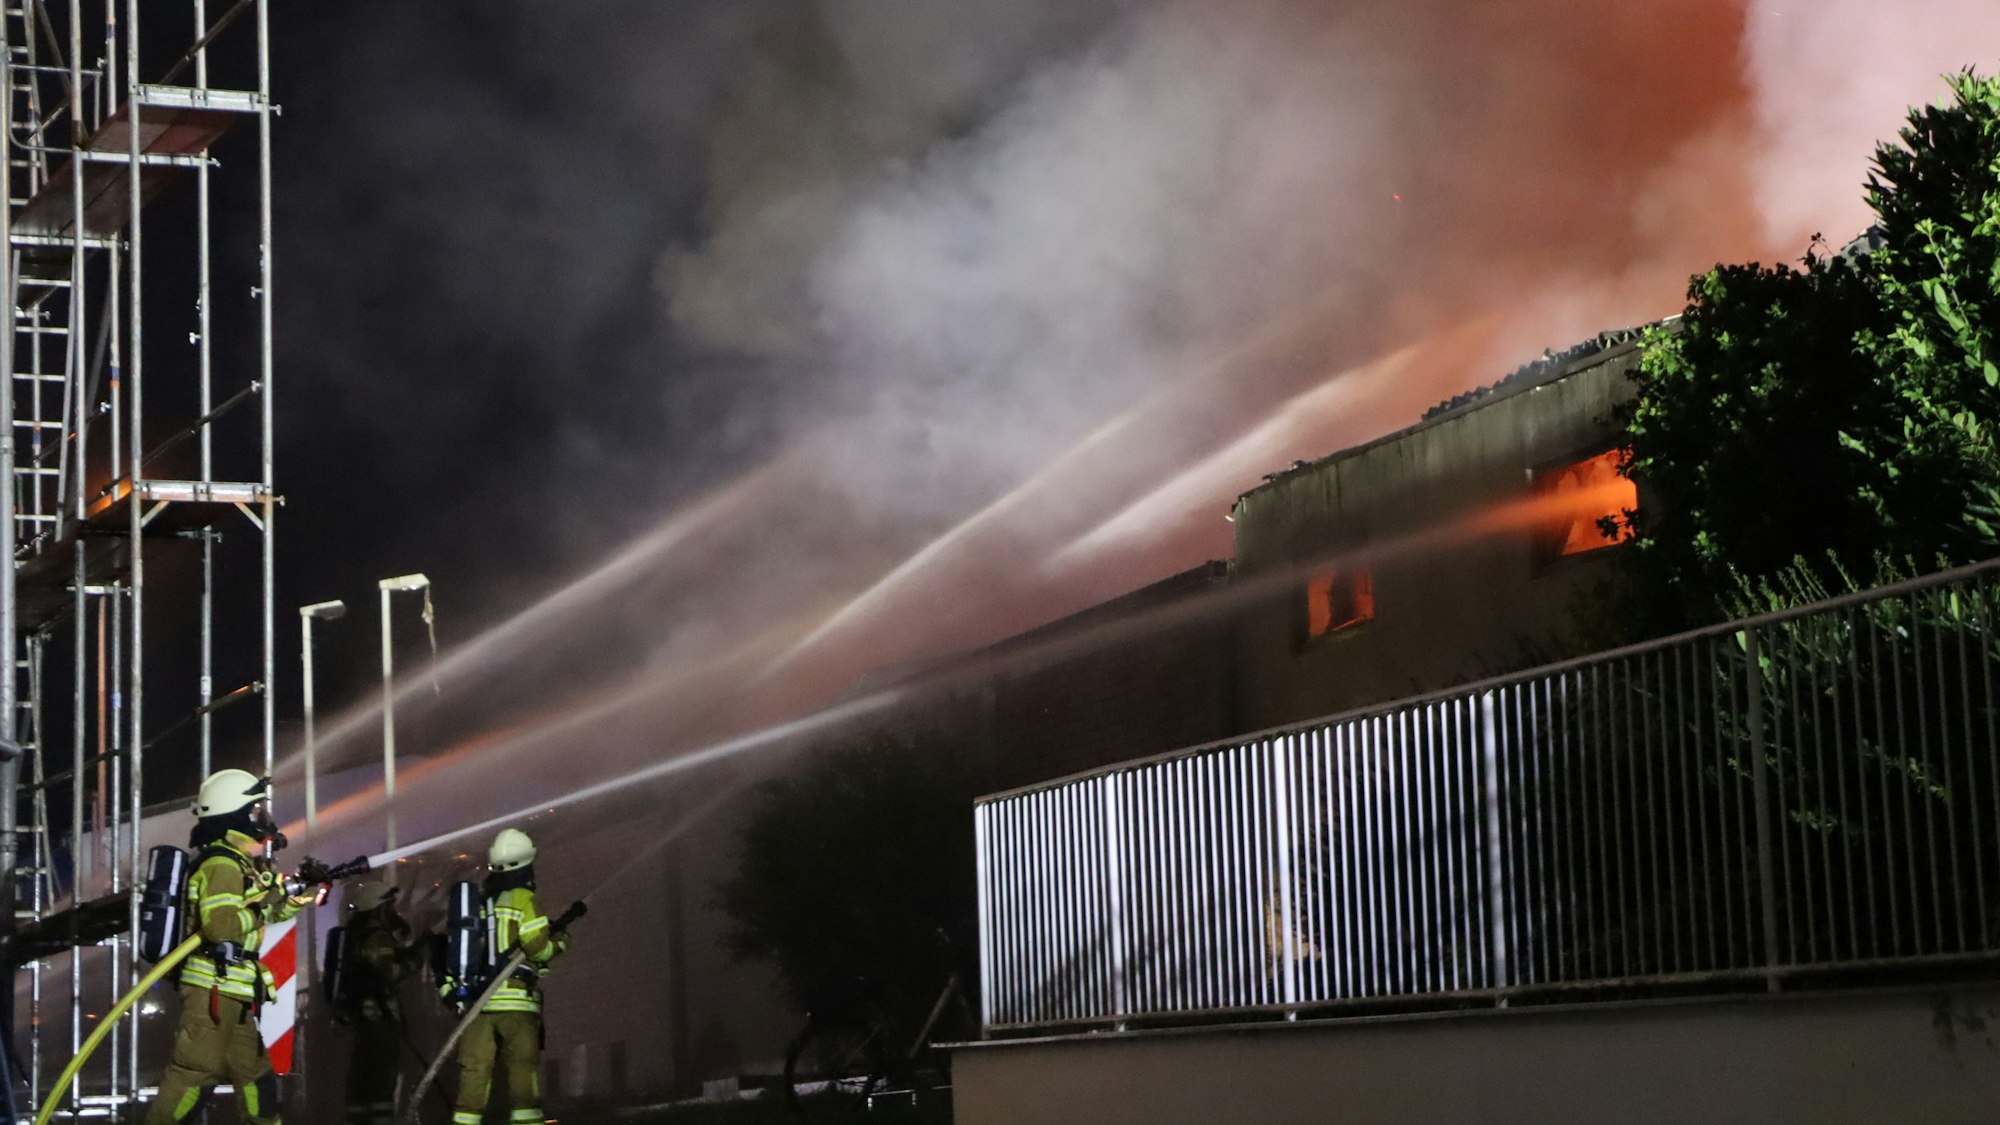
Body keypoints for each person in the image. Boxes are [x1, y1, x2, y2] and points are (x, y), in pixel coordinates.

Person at [147, 769, 315, 1125]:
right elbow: (222, 926)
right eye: (252, 811)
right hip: (212, 993)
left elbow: (264, 912)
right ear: (233, 814)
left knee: (257, 1078)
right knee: (195, 1075)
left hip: (232, 995)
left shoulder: (240, 864)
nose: (259, 818)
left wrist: (298, 896)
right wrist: (266, 905)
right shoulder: (221, 865)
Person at [452, 829, 568, 1125]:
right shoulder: (524, 899)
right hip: (517, 1003)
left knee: (474, 1073)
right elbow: (537, 948)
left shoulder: (481, 902)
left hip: (480, 1004)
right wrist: (560, 943)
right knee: (522, 1072)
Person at [337, 877, 423, 1125]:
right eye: (388, 906)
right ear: (378, 908)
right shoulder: (376, 936)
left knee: (361, 1080)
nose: (393, 910)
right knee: (381, 1081)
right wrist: (415, 960)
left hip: (363, 1018)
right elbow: (389, 973)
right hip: (379, 1018)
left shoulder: (356, 934)